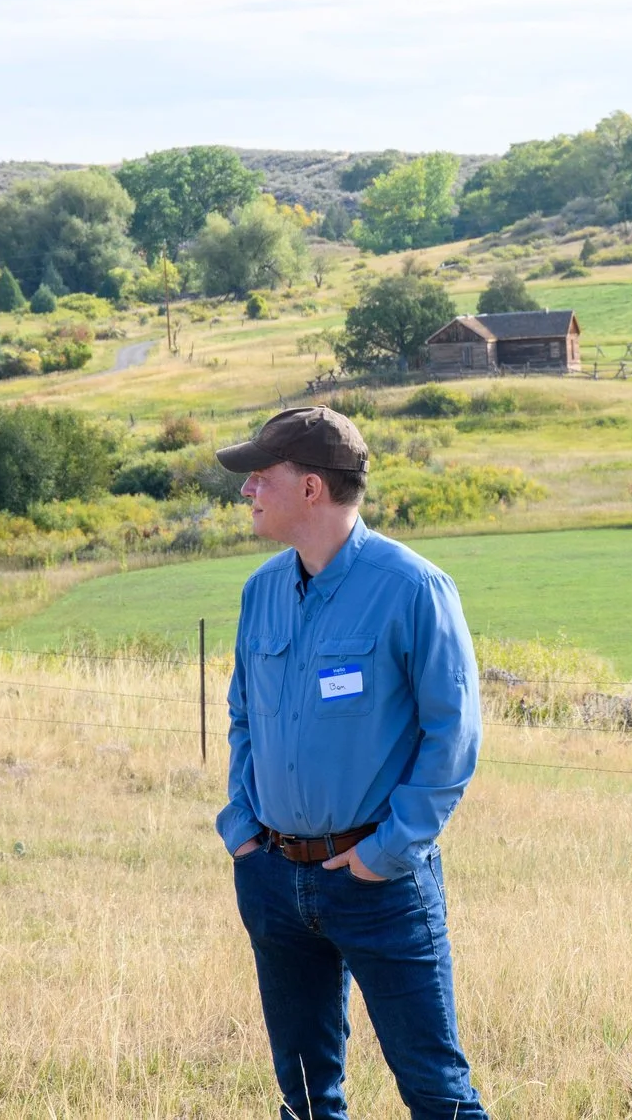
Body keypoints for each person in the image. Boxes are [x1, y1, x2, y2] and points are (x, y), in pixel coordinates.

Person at [213, 406, 489, 1120]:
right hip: (273, 878)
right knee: (306, 1100)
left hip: (381, 884)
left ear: (311, 488)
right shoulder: (261, 591)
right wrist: (243, 828)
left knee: (437, 1093)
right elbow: (243, 718)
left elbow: (454, 734)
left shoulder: (413, 588)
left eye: (260, 475)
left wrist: (387, 850)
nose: (247, 488)